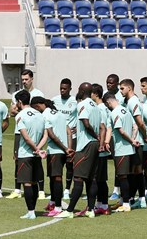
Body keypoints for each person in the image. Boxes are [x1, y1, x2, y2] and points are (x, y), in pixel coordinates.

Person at [55, 83, 105, 219]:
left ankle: (70, 210)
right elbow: (101, 126)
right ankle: (90, 210)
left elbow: (86, 123)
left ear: (82, 91)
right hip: (94, 145)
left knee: (78, 178)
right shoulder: (96, 106)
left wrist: (94, 135)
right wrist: (99, 140)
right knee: (91, 179)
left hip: (85, 145)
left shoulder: (82, 105)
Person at [30, 97, 73, 217]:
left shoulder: (45, 116)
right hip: (63, 151)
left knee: (56, 178)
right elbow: (69, 132)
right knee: (53, 177)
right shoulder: (59, 113)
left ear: (38, 106)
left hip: (55, 151)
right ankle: (53, 202)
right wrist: (69, 148)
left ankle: (58, 207)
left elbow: (51, 135)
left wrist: (64, 148)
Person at [8, 69, 46, 199]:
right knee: (18, 159)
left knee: (37, 158)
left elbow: (41, 111)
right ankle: (17, 189)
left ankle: (41, 190)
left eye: (26, 79)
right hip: (20, 130)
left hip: (35, 131)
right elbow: (12, 111)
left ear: (32, 79)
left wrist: (20, 111)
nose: (24, 81)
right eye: (22, 79)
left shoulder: (38, 93)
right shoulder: (16, 94)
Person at [13, 90, 46, 219]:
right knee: (34, 182)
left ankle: (31, 211)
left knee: (26, 183)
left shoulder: (20, 116)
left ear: (20, 102)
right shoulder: (40, 114)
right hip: (37, 154)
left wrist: (34, 149)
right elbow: (45, 134)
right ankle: (33, 210)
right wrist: (39, 148)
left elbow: (25, 137)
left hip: (25, 154)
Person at [102, 93, 138, 213]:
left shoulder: (114, 113)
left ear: (108, 103)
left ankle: (126, 204)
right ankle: (124, 201)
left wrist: (131, 140)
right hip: (130, 150)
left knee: (122, 177)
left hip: (121, 149)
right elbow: (135, 126)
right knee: (127, 176)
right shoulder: (126, 110)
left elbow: (120, 131)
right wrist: (133, 139)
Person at [119, 79, 147, 209]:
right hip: (132, 141)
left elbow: (139, 122)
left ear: (129, 89)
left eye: (122, 88)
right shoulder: (128, 102)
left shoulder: (133, 102)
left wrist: (145, 135)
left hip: (136, 141)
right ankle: (132, 197)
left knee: (137, 170)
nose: (120, 91)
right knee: (133, 171)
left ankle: (142, 198)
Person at [52, 78, 77, 200]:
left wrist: (78, 127)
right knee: (58, 163)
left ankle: (67, 189)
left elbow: (80, 115)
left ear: (70, 89)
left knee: (70, 163)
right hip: (58, 137)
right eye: (61, 88)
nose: (62, 91)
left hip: (71, 137)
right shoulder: (55, 100)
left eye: (65, 89)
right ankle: (58, 189)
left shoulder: (75, 101)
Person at [91, 84, 112, 215]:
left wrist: (102, 143)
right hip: (103, 145)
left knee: (99, 177)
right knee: (100, 178)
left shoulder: (100, 108)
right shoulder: (103, 107)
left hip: (101, 147)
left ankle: (103, 205)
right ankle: (101, 204)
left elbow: (104, 127)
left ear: (95, 94)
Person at [105, 74, 124, 201]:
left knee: (118, 163)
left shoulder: (121, 97)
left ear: (117, 83)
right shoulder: (106, 95)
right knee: (102, 161)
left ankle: (117, 189)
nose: (108, 85)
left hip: (117, 134)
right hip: (107, 133)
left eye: (111, 83)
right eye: (107, 82)